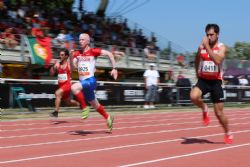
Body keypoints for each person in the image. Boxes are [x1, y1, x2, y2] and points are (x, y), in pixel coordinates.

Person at [190, 24, 233, 144]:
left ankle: (228, 132)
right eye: (207, 35)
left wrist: (207, 46)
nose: (209, 37)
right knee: (193, 96)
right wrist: (196, 72)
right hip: (203, 79)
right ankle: (204, 108)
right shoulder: (201, 47)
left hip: (216, 82)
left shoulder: (222, 47)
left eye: (211, 34)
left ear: (217, 35)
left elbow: (218, 60)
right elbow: (197, 59)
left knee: (219, 113)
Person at [71, 33, 118, 132]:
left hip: (90, 81)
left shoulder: (93, 51)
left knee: (74, 87)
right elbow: (73, 67)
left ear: (88, 41)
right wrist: (72, 59)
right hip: (83, 83)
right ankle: (108, 117)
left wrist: (114, 68)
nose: (80, 41)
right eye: (79, 40)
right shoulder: (77, 53)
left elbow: (109, 54)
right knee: (95, 105)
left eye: (83, 39)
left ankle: (84, 108)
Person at [50, 48, 86, 117]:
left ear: (66, 56)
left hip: (67, 85)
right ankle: (79, 105)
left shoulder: (69, 64)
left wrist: (72, 56)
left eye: (62, 55)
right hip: (61, 86)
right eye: (60, 55)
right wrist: (53, 67)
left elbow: (74, 67)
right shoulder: (58, 64)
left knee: (57, 93)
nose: (60, 56)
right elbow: (51, 73)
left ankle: (56, 112)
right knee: (68, 102)